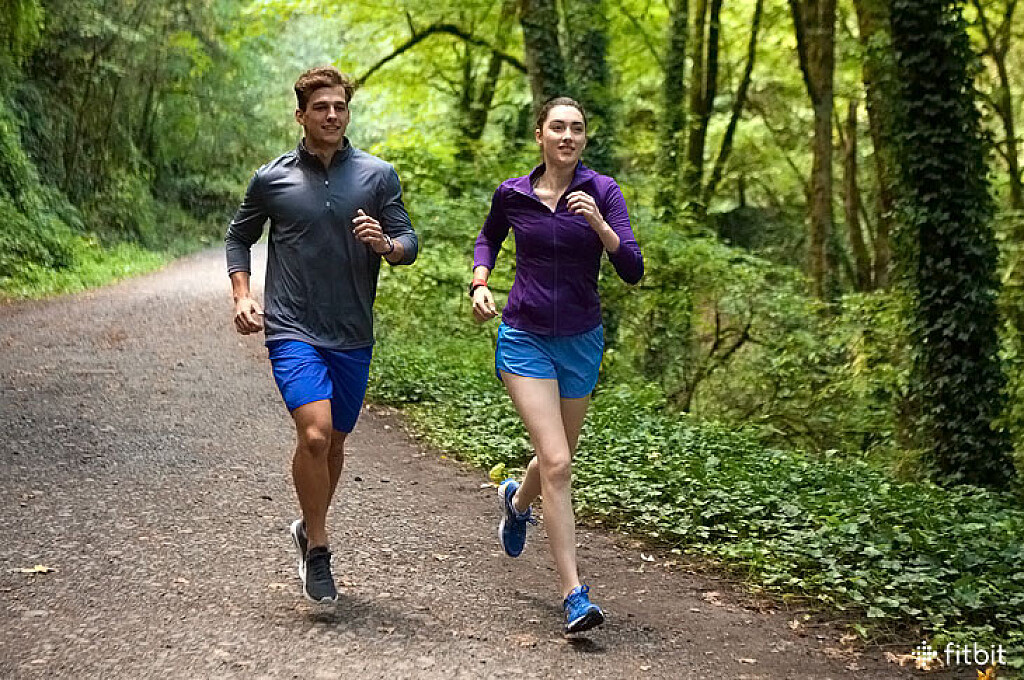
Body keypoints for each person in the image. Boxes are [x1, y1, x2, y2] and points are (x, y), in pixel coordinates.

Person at [225, 65, 418, 604]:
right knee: (314, 434)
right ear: (301, 115)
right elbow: (239, 237)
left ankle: (307, 526)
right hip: (292, 326)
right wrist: (242, 294)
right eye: (321, 108)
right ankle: (319, 549)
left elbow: (408, 241)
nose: (332, 115)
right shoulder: (272, 179)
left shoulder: (378, 176)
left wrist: (386, 245)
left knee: (334, 443)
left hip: (352, 330)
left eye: (340, 107)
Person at [470, 97, 643, 633]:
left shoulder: (603, 191)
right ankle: (573, 593)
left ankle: (517, 502)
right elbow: (488, 237)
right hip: (524, 338)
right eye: (558, 127)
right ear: (540, 135)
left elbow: (632, 268)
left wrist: (601, 227)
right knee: (559, 462)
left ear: (584, 139)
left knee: (557, 458)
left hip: (581, 341)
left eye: (577, 129)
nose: (568, 136)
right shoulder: (513, 193)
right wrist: (480, 281)